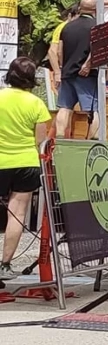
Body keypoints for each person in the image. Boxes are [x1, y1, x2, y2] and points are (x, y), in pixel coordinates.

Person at [0, 57, 52, 279]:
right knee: (17, 213)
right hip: (26, 163)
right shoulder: (36, 104)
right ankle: (4, 265)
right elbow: (40, 140)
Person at [55, 0, 99, 139]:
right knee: (93, 110)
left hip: (67, 72)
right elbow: (97, 48)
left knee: (64, 107)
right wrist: (88, 65)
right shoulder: (97, 26)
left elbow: (59, 51)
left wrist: (62, 67)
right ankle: (93, 141)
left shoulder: (67, 27)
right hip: (86, 75)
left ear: (80, 8)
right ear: (95, 10)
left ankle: (60, 138)